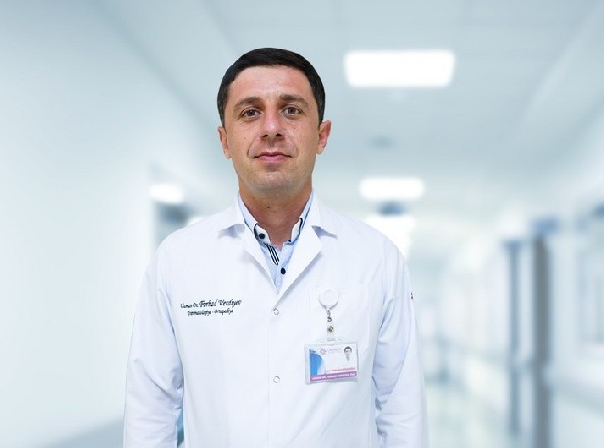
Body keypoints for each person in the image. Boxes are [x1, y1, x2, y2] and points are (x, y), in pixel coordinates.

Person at [124, 48, 428, 447]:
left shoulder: (377, 259)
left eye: (291, 110)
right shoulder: (177, 260)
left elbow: (401, 410)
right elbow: (151, 409)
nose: (271, 128)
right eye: (250, 112)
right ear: (225, 140)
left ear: (322, 136)